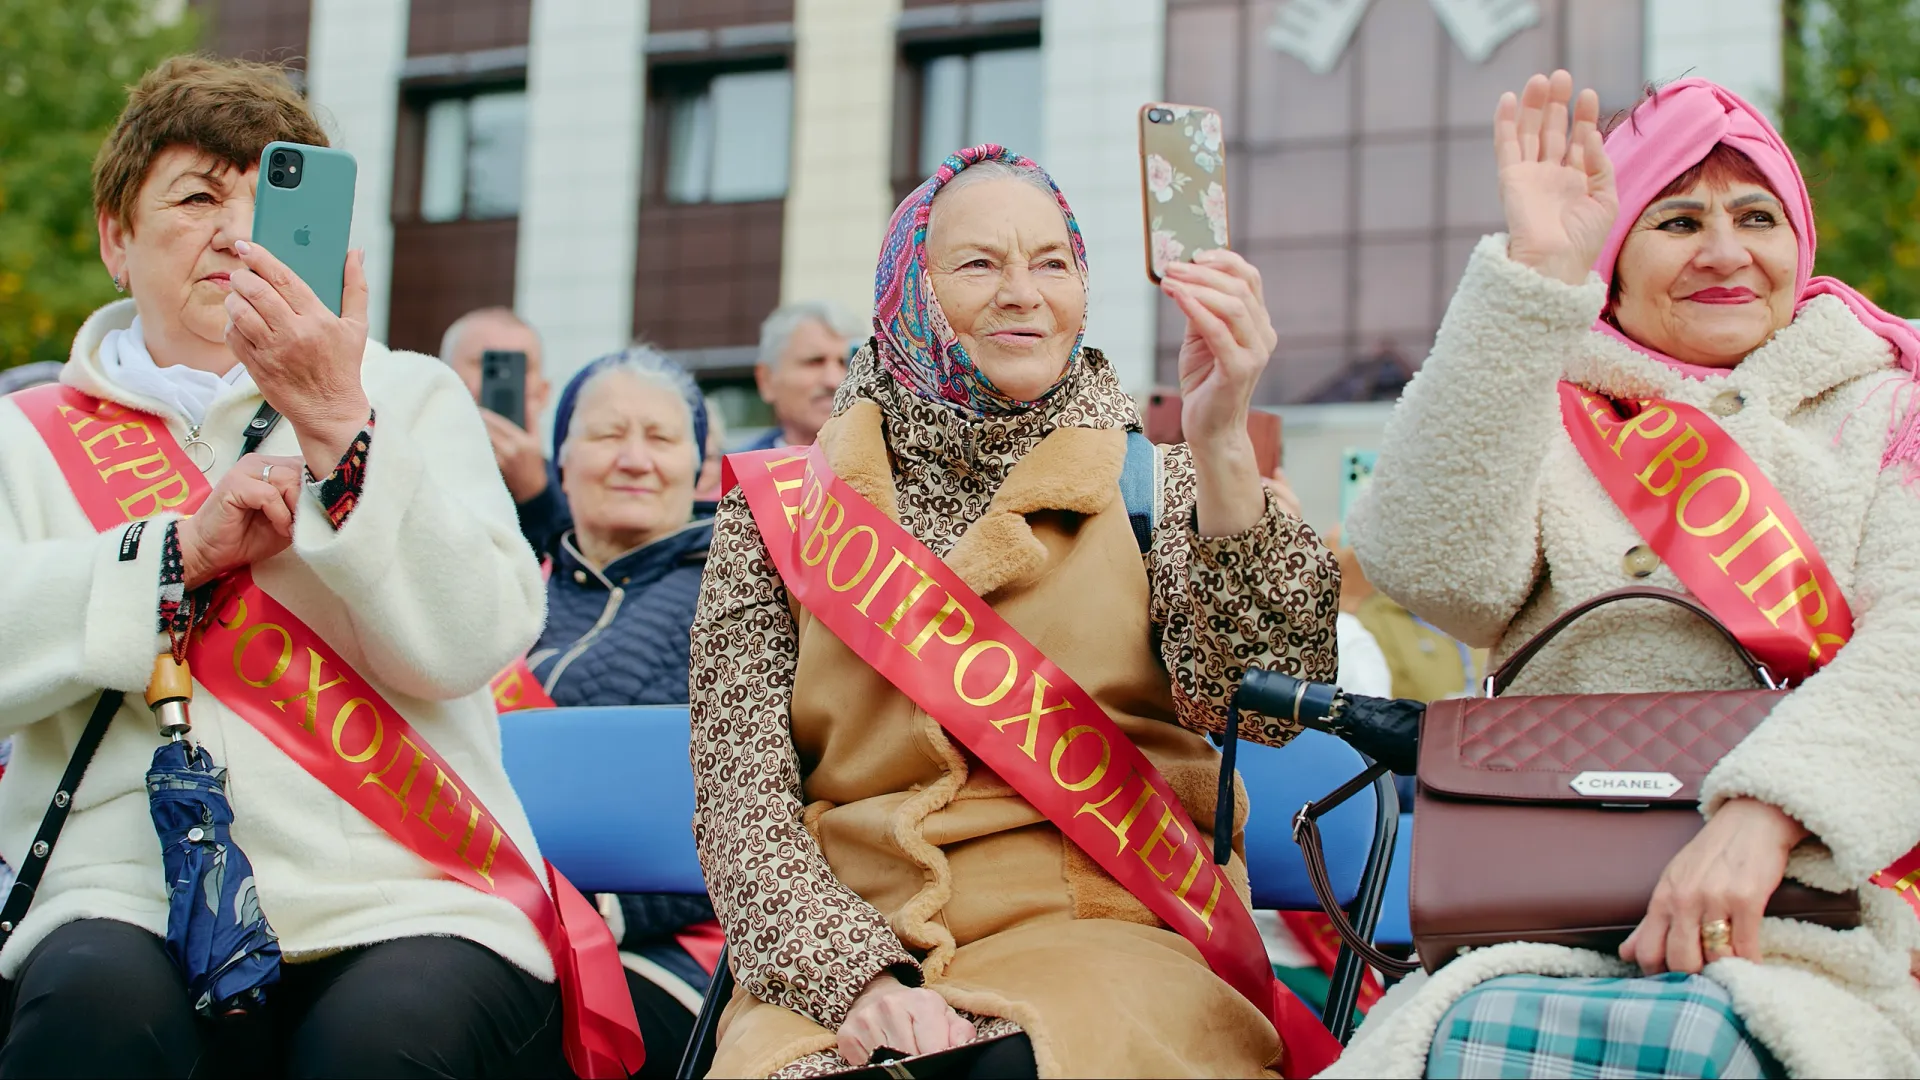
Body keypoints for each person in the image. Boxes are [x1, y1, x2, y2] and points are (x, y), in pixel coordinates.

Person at [690, 145, 1341, 1078]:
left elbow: (1269, 706)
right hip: (845, 945)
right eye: (978, 263)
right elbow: (739, 800)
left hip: (1108, 926)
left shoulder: (1159, 483)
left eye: (1052, 262)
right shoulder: (778, 508)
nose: (1023, 293)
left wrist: (1223, 439)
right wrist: (861, 984)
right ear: (907, 293)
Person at [0, 56, 582, 1076]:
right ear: (115, 240)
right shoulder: (25, 436)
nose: (235, 231)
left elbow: (480, 635)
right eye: (195, 196)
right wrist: (175, 553)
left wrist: (336, 422)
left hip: (409, 887)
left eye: (265, 198)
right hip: (121, 892)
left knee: (384, 1048)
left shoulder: (407, 395)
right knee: (92, 1020)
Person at [1338, 72, 1920, 1077]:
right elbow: (1433, 572)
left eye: (1756, 215)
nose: (1727, 251)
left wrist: (1767, 811)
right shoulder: (1540, 396)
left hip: (1809, 932)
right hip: (1529, 929)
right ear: (1614, 256)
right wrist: (1531, 280)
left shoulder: (1887, 410)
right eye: (1680, 219)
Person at [523, 346, 719, 1076]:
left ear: (697, 466)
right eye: (607, 435)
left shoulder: (747, 594)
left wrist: (598, 913)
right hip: (496, 917)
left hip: (672, 944)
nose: (634, 459)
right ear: (562, 459)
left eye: (662, 438)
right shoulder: (506, 595)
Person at [438, 307, 564, 552]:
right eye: (487, 363)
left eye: (520, 367)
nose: (504, 380)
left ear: (543, 393)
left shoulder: (570, 484)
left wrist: (537, 495)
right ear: (442, 378)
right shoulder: (407, 465)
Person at [741, 301, 852, 450]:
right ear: (766, 380)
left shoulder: (890, 467)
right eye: (814, 362)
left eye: (845, 363)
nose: (834, 381)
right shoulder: (733, 471)